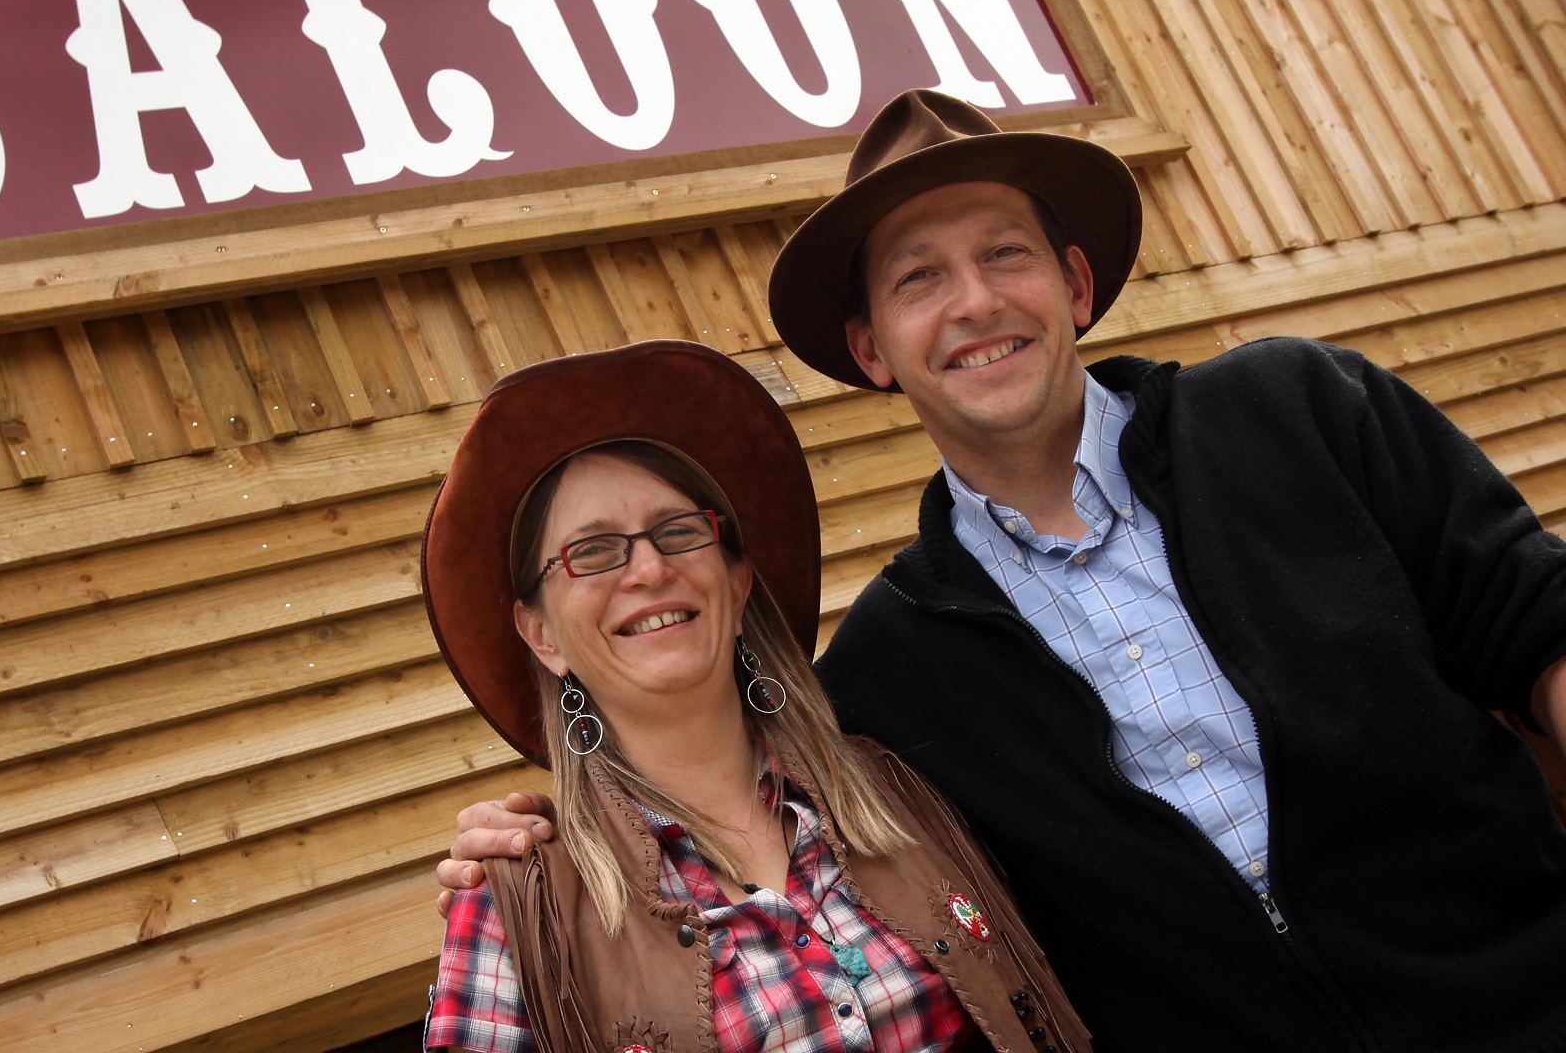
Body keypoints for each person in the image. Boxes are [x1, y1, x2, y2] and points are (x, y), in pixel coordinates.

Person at [440, 90, 1566, 1052]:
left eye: (1004, 253)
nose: (974, 300)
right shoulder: (892, 666)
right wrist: (550, 823)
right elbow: (702, 766)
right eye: (920, 276)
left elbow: (1532, 616)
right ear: (874, 348)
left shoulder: (1302, 412)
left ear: (1075, 283)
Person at [419, 339, 1091, 1053]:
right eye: (592, 551)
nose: (648, 569)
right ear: (542, 635)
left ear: (736, 586)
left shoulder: (896, 787)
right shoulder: (519, 902)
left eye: (677, 532)